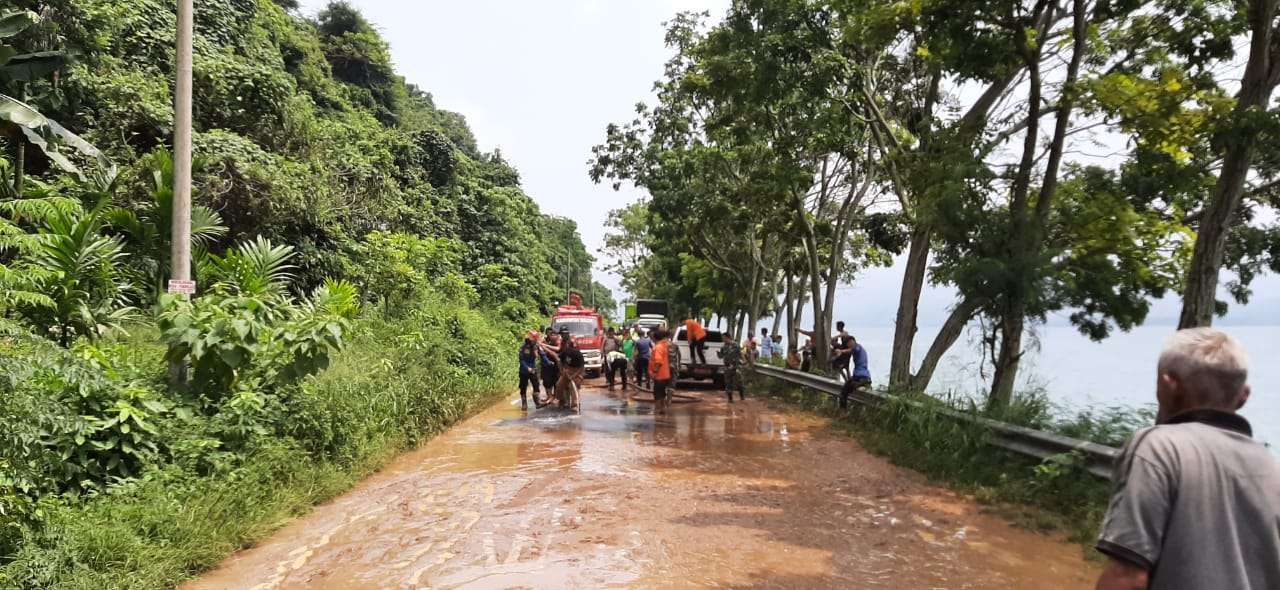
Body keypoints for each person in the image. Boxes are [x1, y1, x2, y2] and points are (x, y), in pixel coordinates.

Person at [1093, 328, 1279, 590]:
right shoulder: (1270, 465)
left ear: (1168, 385)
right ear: (1243, 396)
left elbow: (1127, 576)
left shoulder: (1157, 447)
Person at [554, 329, 586, 411]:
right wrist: (562, 371)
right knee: (559, 385)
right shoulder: (566, 351)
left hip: (577, 372)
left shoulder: (578, 353)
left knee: (574, 387)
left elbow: (581, 367)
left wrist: (574, 376)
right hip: (567, 371)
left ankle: (575, 405)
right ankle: (562, 401)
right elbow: (559, 360)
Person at [650, 328, 673, 414]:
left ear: (655, 338)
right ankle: (662, 410)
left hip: (659, 375)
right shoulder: (664, 346)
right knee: (662, 393)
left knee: (657, 394)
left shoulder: (658, 347)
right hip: (665, 374)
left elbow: (658, 361)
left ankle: (657, 410)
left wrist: (654, 372)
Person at [718, 331, 745, 402]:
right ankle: (730, 399)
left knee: (739, 381)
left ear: (728, 337)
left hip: (736, 366)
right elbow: (721, 356)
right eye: (722, 338)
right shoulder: (723, 347)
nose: (723, 339)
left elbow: (740, 354)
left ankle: (742, 396)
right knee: (728, 382)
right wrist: (718, 354)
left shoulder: (736, 345)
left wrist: (743, 361)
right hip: (727, 367)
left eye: (724, 338)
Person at [518, 333, 542, 410]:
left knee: (536, 385)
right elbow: (522, 361)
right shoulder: (523, 348)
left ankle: (537, 402)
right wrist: (527, 368)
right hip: (524, 371)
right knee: (523, 387)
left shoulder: (535, 347)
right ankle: (524, 403)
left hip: (533, 369)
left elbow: (538, 356)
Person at [539, 333, 561, 404]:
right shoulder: (546, 343)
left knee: (556, 383)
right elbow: (542, 353)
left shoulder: (559, 343)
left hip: (557, 367)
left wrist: (544, 346)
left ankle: (556, 397)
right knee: (547, 382)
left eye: (555, 338)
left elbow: (557, 349)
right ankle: (550, 396)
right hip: (548, 367)